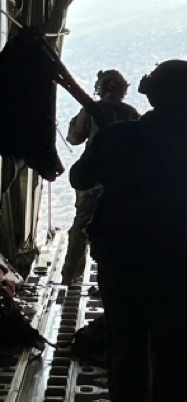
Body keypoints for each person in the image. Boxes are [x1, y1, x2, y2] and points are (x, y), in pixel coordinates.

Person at [69, 59, 187, 402]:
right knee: (173, 356)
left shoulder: (116, 139)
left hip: (120, 266)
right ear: (181, 103)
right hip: (171, 271)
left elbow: (79, 178)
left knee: (127, 349)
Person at [61, 70, 139, 285]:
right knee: (120, 229)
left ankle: (70, 278)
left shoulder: (91, 110)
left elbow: (74, 138)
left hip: (92, 178)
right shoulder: (132, 114)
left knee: (81, 226)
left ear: (101, 88)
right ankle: (115, 280)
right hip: (122, 181)